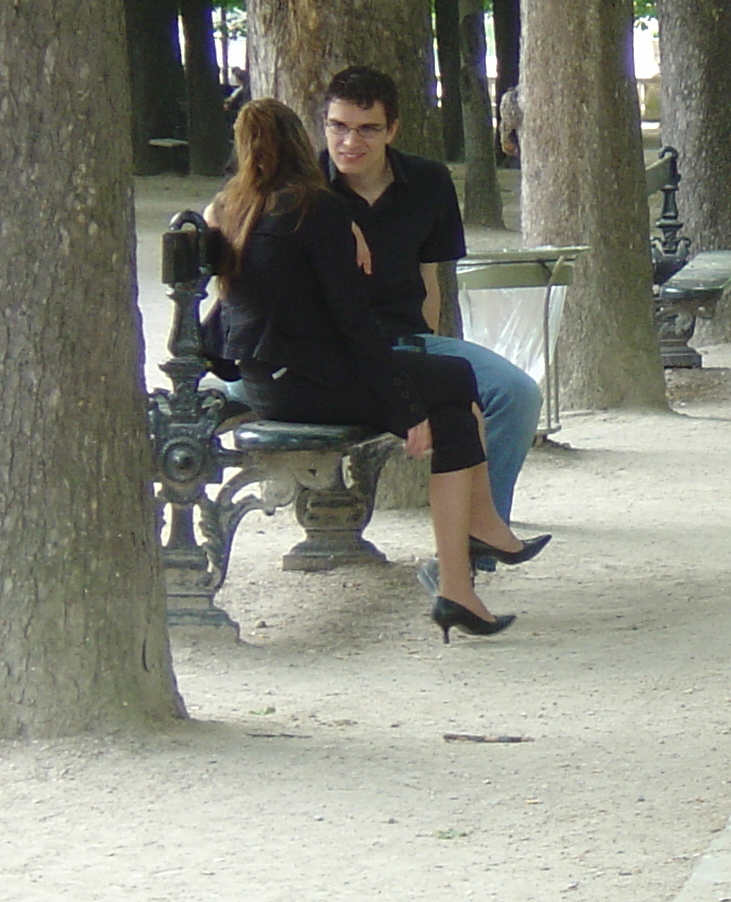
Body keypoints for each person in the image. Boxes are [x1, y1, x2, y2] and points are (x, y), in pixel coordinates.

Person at [210, 99, 539, 641]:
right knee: (455, 381)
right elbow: (353, 321)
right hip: (305, 384)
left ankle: (458, 590)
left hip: (269, 379)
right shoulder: (316, 211)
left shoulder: (233, 207)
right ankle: (477, 535)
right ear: (303, 140)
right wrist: (404, 408)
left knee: (456, 405)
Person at [320, 66, 544, 534]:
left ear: (392, 129)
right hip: (333, 351)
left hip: (409, 340)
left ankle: (481, 535)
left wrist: (434, 358)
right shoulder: (305, 188)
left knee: (516, 393)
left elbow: (430, 280)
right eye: (338, 126)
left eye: (367, 129)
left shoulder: (428, 183)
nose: (349, 142)